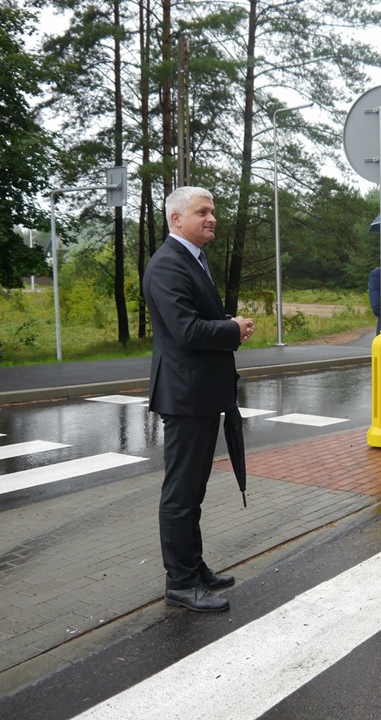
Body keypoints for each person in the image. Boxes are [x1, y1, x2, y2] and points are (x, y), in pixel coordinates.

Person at [143, 186, 256, 613]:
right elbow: (186, 331)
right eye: (202, 212)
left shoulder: (192, 259)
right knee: (182, 493)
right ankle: (180, 582)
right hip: (186, 396)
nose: (212, 218)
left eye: (213, 211)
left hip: (201, 394)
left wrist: (227, 323)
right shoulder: (167, 265)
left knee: (194, 489)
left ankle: (193, 567)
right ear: (176, 219)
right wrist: (231, 329)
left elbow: (197, 318)